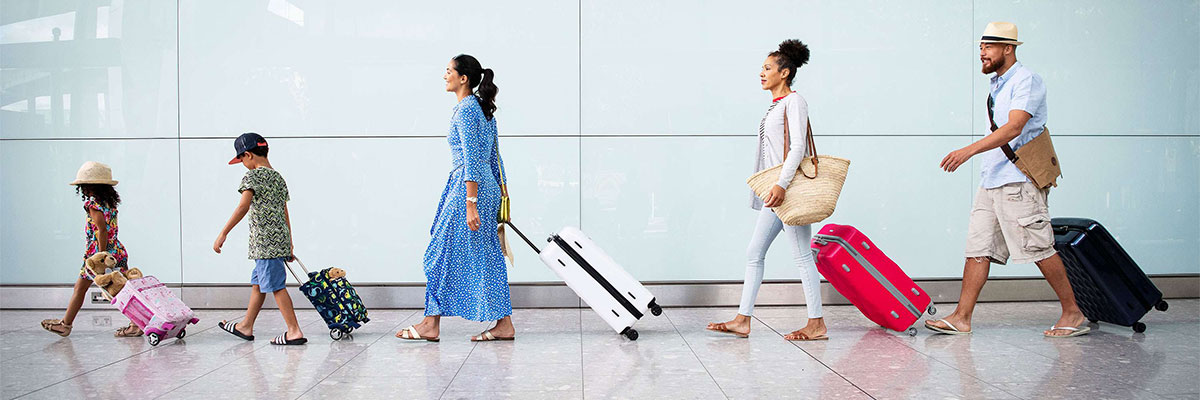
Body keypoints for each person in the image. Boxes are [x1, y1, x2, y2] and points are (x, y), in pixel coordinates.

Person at [929, 22, 1087, 338]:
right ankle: (962, 317)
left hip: (1018, 181)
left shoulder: (1026, 81)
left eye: (988, 47)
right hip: (993, 179)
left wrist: (968, 151)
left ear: (1008, 48)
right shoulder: (999, 84)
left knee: (1039, 247)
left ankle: (1073, 312)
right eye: (980, 48)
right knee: (978, 247)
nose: (982, 53)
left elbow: (1015, 127)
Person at [707, 40, 828, 341]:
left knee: (802, 256)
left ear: (785, 73)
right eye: (762, 68)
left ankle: (817, 324)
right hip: (774, 196)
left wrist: (781, 184)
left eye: (768, 68)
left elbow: (798, 146)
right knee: (755, 252)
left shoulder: (794, 102)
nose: (761, 73)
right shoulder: (775, 105)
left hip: (786, 193)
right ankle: (742, 319)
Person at [396, 54, 514, 342]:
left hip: (468, 188)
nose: (444, 75)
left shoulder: (465, 110)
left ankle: (429, 323)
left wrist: (471, 203)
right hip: (485, 187)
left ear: (463, 78)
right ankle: (504, 324)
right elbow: (495, 158)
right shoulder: (483, 110)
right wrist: (503, 196)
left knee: (438, 251)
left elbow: (474, 158)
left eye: (448, 71)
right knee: (486, 254)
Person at [214, 132, 307, 345]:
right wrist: (289, 242)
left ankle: (294, 331)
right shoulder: (278, 177)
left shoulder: (252, 177)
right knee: (258, 284)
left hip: (265, 245)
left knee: (276, 287)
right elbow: (285, 212)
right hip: (279, 240)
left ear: (247, 155)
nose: (242, 165)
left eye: (241, 160)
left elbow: (243, 207)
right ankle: (246, 326)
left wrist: (223, 233)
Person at [40, 161, 141, 338]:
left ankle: (66, 325)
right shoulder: (109, 202)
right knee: (120, 288)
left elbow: (101, 230)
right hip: (117, 250)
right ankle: (136, 323)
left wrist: (101, 256)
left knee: (80, 288)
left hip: (99, 254)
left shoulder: (93, 203)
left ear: (88, 186)